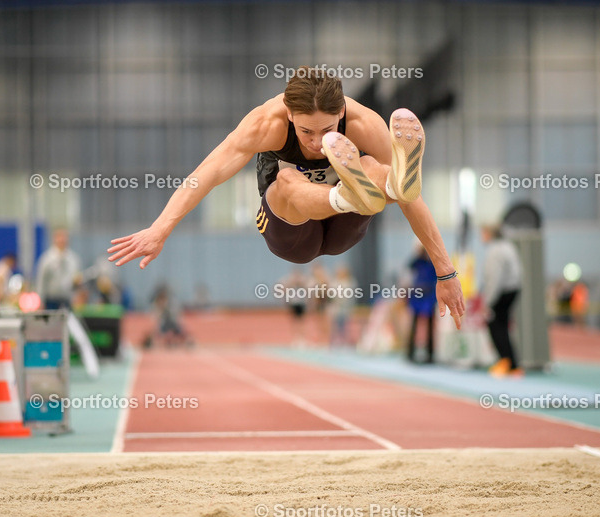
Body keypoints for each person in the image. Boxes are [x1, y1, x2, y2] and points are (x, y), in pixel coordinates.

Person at [108, 66, 465, 328]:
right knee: (287, 179)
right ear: (290, 114)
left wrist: (445, 272)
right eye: (306, 131)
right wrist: (161, 228)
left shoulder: (362, 124)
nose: (314, 141)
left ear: (341, 112)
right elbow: (208, 173)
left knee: (374, 166)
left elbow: (412, 200)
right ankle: (354, 193)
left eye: (326, 130)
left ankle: (383, 183)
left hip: (345, 228)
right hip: (291, 231)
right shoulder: (267, 123)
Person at [479, 224, 523, 377]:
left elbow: (494, 279)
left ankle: (505, 361)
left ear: (490, 234)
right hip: (513, 289)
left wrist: (488, 302)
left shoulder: (495, 251)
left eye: (483, 233)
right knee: (503, 326)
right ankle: (513, 363)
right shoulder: (508, 246)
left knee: (495, 326)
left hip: (502, 292)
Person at [35, 228, 82, 310]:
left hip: (67, 300)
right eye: (59, 237)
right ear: (54, 239)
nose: (62, 240)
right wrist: (40, 301)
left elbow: (76, 280)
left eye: (64, 237)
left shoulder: (73, 259)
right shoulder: (47, 259)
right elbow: (41, 281)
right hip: (51, 300)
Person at [406, 244, 437, 363]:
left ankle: (430, 355)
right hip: (417, 297)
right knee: (413, 326)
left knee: (430, 327)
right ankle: (410, 353)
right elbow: (408, 276)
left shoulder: (432, 263)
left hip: (429, 298)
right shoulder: (415, 263)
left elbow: (436, 280)